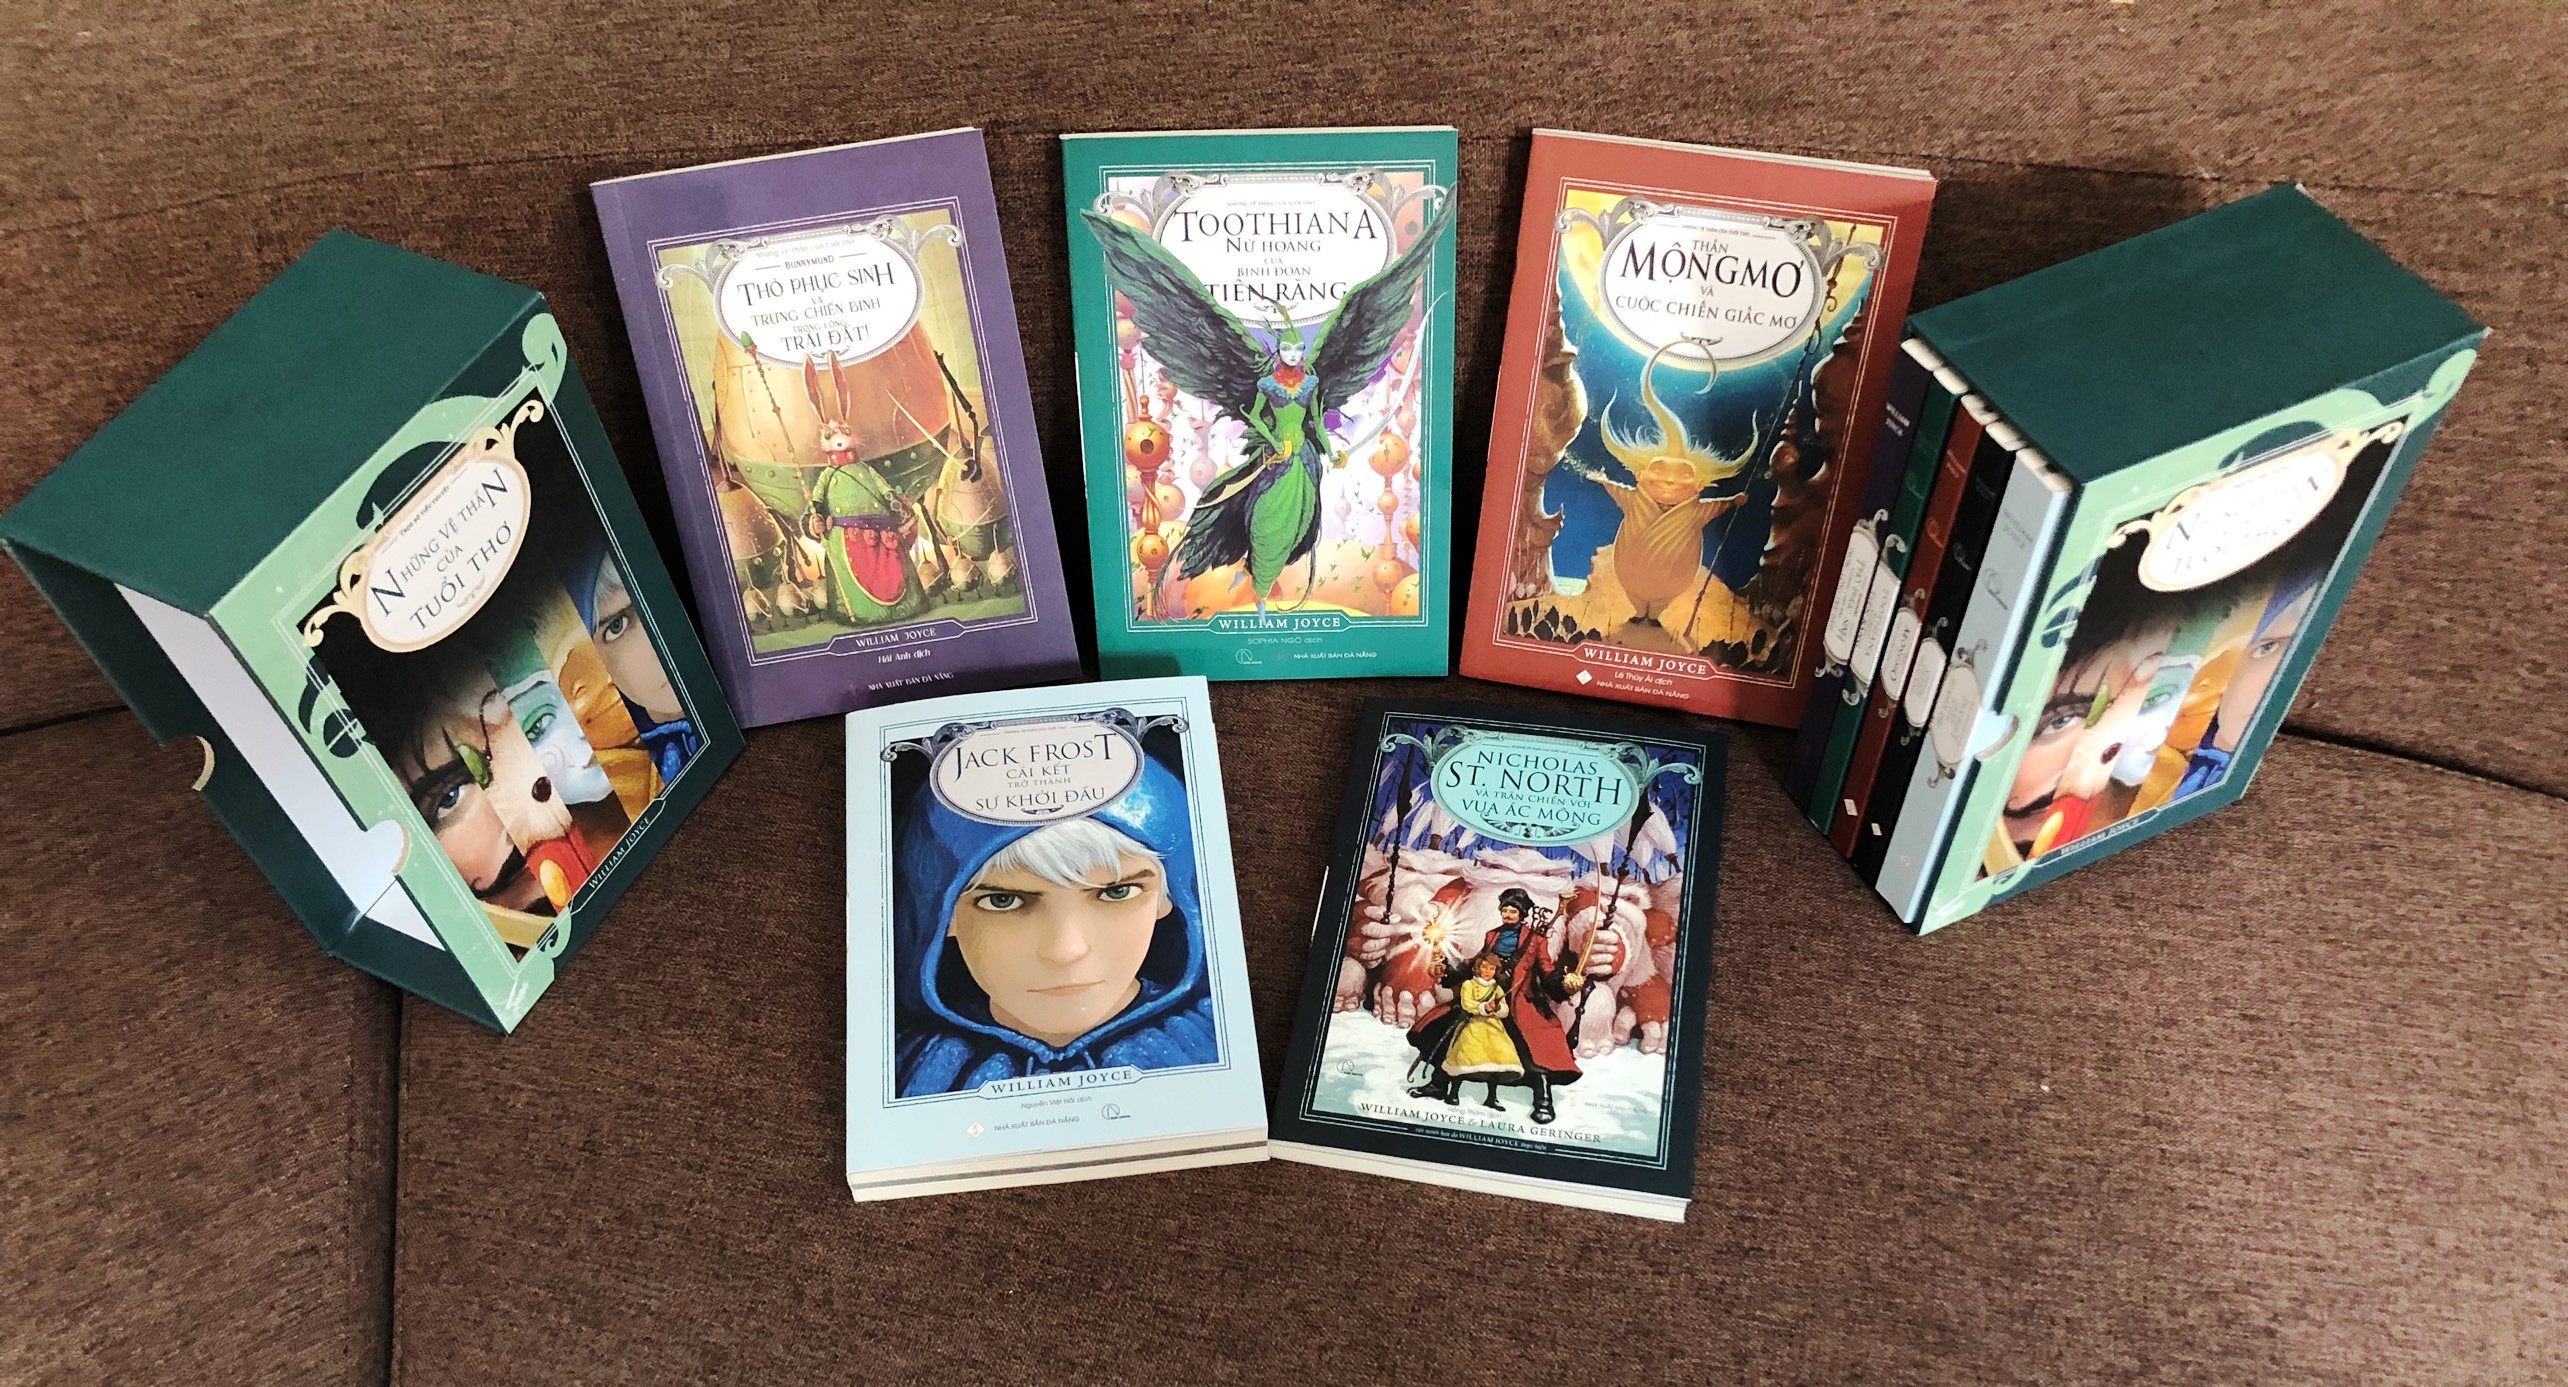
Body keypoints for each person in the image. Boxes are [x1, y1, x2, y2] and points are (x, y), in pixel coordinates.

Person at [891, 749, 1216, 1096]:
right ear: (943, 916)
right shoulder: (908, 1068)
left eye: (1117, 892)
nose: (1065, 950)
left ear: (1168, 898)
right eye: (1003, 900)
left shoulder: (1213, 1039)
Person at [1406, 888, 1585, 1124]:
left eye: (1513, 911)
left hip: (1519, 1001)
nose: (1508, 915)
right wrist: (1449, 966)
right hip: (1485, 994)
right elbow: (1476, 963)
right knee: (1450, 1032)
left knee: (1533, 1048)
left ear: (1522, 914)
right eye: (1505, 910)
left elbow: (1546, 970)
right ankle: (1439, 1085)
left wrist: (1565, 984)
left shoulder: (1536, 940)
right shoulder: (1492, 935)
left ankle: (1543, 1101)